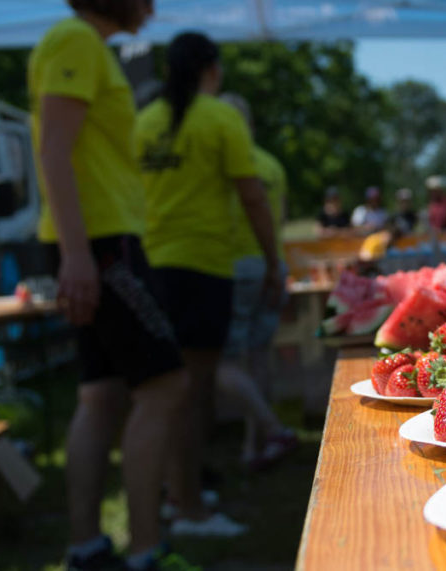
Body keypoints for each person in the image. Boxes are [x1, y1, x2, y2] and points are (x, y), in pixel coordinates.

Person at [29, 0, 190, 571]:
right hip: (99, 244)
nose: (152, 7)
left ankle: (88, 549)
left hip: (94, 241)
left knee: (100, 397)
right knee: (166, 383)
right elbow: (54, 153)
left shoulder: (83, 46)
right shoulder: (75, 43)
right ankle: (147, 551)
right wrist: (76, 256)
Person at [134, 32, 281, 536]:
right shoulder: (219, 117)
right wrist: (274, 262)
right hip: (204, 268)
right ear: (211, 69)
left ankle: (179, 493)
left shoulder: (146, 122)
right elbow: (253, 199)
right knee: (191, 393)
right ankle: (188, 507)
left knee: (166, 389)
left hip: (152, 269)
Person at [214, 93, 297, 472]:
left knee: (225, 360)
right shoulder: (273, 165)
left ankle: (270, 430)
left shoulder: (221, 162)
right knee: (259, 356)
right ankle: (257, 444)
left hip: (232, 267)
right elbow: (276, 221)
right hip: (271, 264)